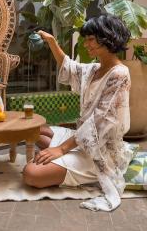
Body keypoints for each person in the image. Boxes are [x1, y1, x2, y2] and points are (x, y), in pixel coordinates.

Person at [23, 13, 133, 211]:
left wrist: (61, 149)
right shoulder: (94, 69)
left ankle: (80, 168)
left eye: (91, 39)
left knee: (31, 173)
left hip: (99, 150)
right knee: (34, 130)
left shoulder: (119, 74)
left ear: (108, 37)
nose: (87, 44)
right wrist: (52, 42)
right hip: (83, 138)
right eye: (86, 39)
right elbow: (70, 67)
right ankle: (64, 158)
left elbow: (98, 124)